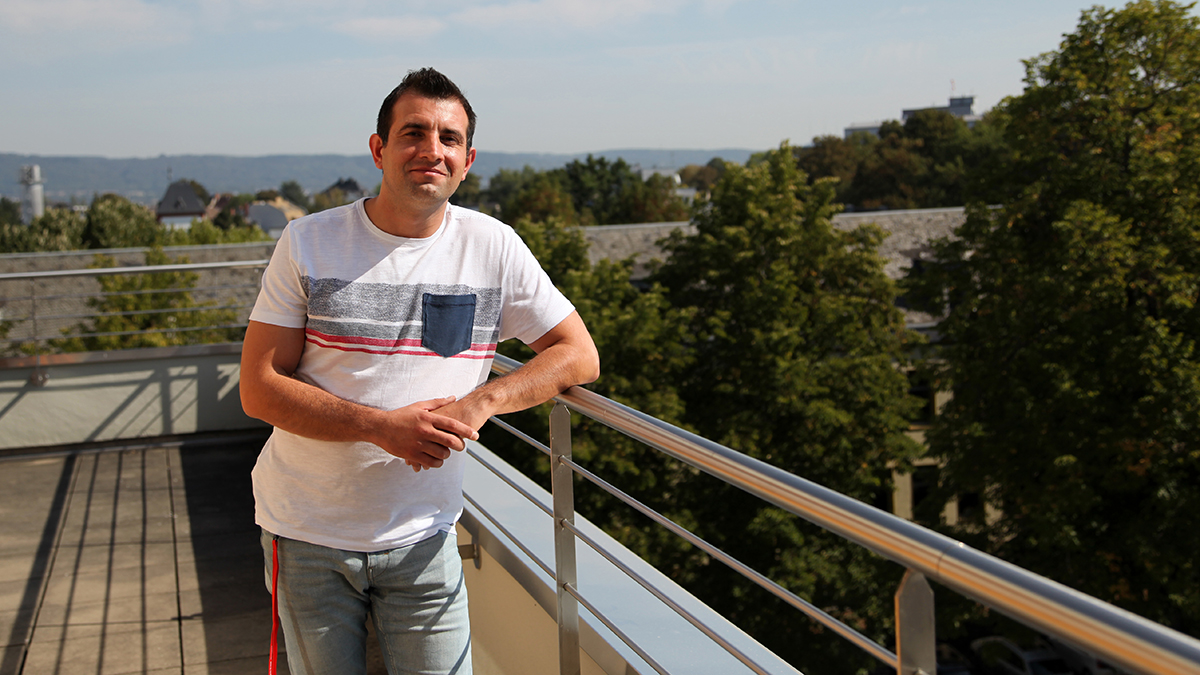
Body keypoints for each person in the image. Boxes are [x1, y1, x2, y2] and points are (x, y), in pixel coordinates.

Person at [240, 67, 600, 675]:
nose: (432, 150)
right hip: (305, 534)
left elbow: (578, 354)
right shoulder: (308, 242)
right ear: (380, 149)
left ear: (468, 159)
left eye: (449, 138)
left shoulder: (493, 246)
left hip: (427, 535)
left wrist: (481, 403)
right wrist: (382, 427)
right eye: (413, 133)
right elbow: (260, 388)